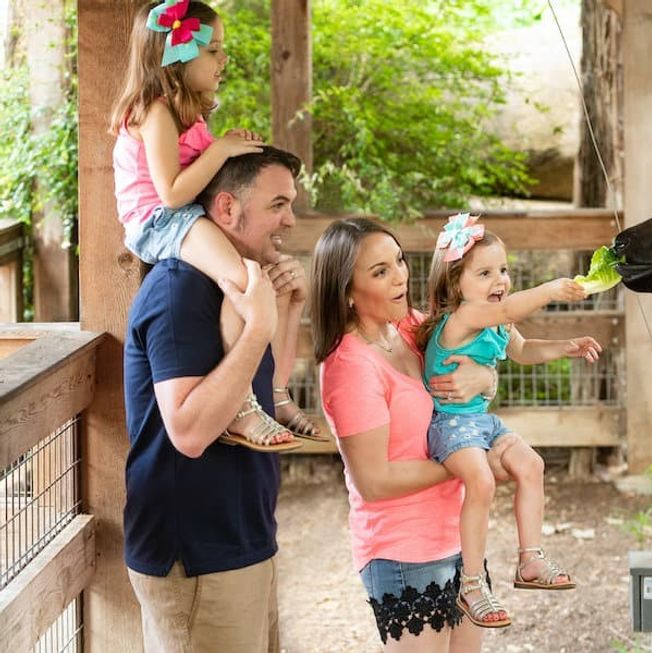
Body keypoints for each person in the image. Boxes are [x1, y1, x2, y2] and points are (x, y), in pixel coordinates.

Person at [110, 0, 321, 450]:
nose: (223, 60)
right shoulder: (156, 111)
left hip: (182, 216)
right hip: (161, 220)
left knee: (245, 280)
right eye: (214, 51)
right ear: (178, 55)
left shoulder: (187, 114)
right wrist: (221, 151)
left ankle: (269, 394)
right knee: (244, 279)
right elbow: (170, 192)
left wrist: (231, 149)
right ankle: (243, 409)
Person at [122, 146, 305, 652]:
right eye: (277, 205)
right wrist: (259, 326)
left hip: (243, 537)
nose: (290, 220)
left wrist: (285, 311)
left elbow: (267, 393)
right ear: (226, 209)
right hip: (195, 553)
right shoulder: (180, 289)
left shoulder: (242, 284)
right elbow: (189, 431)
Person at [310, 218, 498, 652]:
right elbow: (374, 482)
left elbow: (470, 385)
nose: (400, 277)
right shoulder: (349, 367)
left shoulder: (412, 327)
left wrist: (485, 377)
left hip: (457, 536)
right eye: (380, 272)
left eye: (398, 261)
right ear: (346, 293)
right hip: (402, 552)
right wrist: (462, 465)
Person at [415, 213, 601, 628]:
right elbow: (516, 306)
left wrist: (567, 346)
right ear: (455, 284)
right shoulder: (465, 317)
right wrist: (551, 288)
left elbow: (523, 350)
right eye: (484, 273)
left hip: (480, 421)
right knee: (480, 482)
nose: (499, 280)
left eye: (503, 270)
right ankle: (472, 583)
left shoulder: (499, 320)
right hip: (449, 424)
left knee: (532, 465)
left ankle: (530, 560)